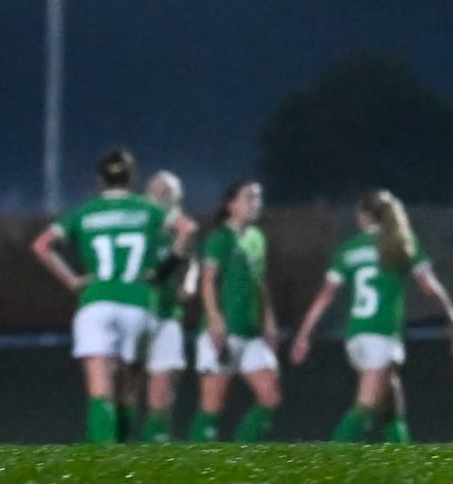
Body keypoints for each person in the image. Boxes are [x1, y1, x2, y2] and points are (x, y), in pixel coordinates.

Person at [289, 192, 453, 442]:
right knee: (365, 404)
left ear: (365, 217)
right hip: (382, 334)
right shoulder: (400, 243)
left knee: (392, 403)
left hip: (356, 336)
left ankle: (405, 468)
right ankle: (325, 464)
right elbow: (429, 287)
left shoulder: (349, 249)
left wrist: (303, 334)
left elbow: (325, 296)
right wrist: (451, 314)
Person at [34, 147, 174, 445]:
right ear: (133, 177)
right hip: (138, 302)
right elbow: (187, 229)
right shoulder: (149, 210)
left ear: (98, 179)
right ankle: (124, 451)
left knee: (100, 385)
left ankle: (102, 454)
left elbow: (41, 245)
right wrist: (163, 271)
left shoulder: (84, 212)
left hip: (96, 301)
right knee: (128, 387)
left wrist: (72, 280)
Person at [188, 179, 282, 442]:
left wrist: (269, 321)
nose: (255, 203)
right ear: (231, 205)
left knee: (270, 397)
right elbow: (207, 281)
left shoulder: (257, 238)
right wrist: (215, 320)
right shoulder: (220, 238)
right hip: (223, 332)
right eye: (249, 197)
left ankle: (241, 456)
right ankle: (193, 465)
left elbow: (259, 283)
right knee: (212, 406)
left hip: (251, 333)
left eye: (258, 197)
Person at [139, 170, 200, 439]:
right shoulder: (139, 226)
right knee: (125, 386)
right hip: (137, 312)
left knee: (163, 385)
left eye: (169, 192)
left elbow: (191, 261)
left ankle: (157, 444)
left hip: (167, 314)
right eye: (158, 190)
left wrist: (189, 282)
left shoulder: (181, 231)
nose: (163, 196)